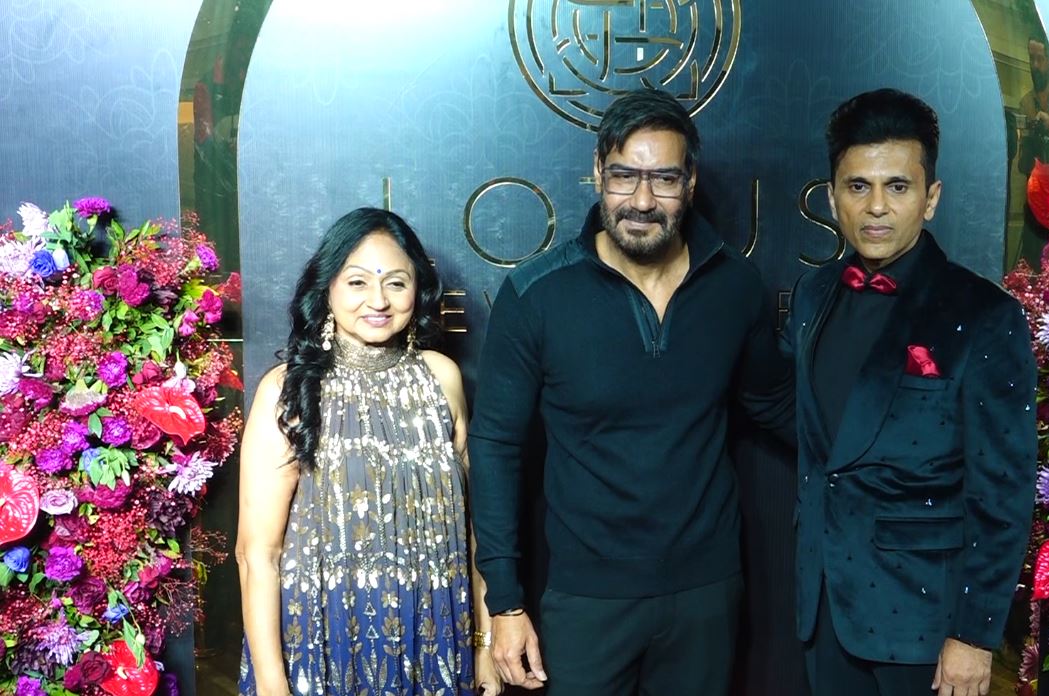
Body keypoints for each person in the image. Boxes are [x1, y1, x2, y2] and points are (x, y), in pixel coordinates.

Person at [469, 88, 793, 696]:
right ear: (598, 172)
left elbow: (776, 403)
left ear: (690, 182)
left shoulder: (735, 286)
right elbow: (495, 447)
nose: (642, 201)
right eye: (624, 176)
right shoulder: (537, 294)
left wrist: (883, 447)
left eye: (664, 179)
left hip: (706, 592)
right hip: (585, 596)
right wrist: (504, 601)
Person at [782, 88, 1037, 696]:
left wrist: (975, 635)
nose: (876, 207)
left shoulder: (983, 315)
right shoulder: (812, 296)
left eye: (897, 186)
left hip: (927, 620)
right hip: (824, 605)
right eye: (858, 186)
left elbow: (1003, 490)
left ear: (931, 197)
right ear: (833, 196)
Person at [236, 207, 500, 695]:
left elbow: (475, 532)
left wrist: (484, 645)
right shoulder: (288, 389)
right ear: (327, 288)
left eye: (396, 283)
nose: (378, 300)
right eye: (357, 282)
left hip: (435, 641)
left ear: (417, 290)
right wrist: (273, 684)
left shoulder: (442, 378)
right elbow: (257, 555)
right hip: (322, 645)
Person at [1015, 35, 1049, 175]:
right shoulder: (1025, 104)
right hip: (1033, 183)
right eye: (1032, 58)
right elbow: (1020, 166)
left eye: (1040, 59)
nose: (1035, 65)